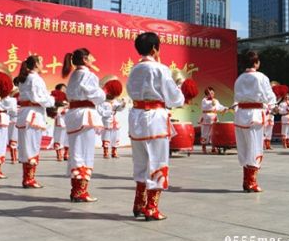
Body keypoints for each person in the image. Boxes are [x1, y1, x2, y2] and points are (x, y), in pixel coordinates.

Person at [126, 32, 185, 220]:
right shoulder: (160, 69)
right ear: (154, 49)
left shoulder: (135, 69)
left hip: (136, 118)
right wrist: (180, 91)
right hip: (155, 120)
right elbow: (174, 97)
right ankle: (151, 207)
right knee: (158, 161)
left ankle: (139, 203)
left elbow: (130, 90)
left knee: (141, 162)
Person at [63, 48, 107, 202]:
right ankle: (80, 191)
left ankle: (76, 189)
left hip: (75, 114)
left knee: (76, 151)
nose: (94, 58)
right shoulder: (88, 74)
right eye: (91, 56)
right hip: (84, 115)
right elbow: (95, 94)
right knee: (85, 152)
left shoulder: (75, 75)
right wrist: (103, 93)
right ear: (85, 59)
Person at [233, 51, 276, 192]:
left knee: (244, 148)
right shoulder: (261, 77)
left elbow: (237, 97)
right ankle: (251, 182)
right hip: (255, 116)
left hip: (241, 115)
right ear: (256, 63)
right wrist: (272, 105)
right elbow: (269, 96)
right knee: (255, 147)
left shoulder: (239, 79)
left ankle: (247, 181)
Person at [14, 55, 55, 188]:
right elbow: (39, 98)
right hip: (33, 115)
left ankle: (28, 178)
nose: (43, 64)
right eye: (41, 62)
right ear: (36, 64)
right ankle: (29, 179)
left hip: (27, 114)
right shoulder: (35, 79)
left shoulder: (25, 79)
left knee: (28, 146)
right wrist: (52, 101)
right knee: (32, 146)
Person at [98, 79, 126, 159]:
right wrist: (110, 112)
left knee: (116, 137)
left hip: (115, 124)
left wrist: (122, 105)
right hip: (106, 123)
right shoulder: (102, 102)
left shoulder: (115, 101)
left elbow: (119, 109)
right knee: (106, 137)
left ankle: (114, 152)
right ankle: (106, 152)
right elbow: (101, 112)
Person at [199, 87, 228, 154]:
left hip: (214, 118)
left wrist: (225, 108)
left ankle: (213, 148)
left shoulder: (216, 100)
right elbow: (205, 106)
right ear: (207, 94)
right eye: (210, 93)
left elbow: (219, 107)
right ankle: (204, 147)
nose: (212, 94)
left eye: (213, 93)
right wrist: (211, 103)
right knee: (205, 133)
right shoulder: (204, 100)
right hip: (206, 118)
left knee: (213, 133)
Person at [50, 84, 69, 161]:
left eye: (65, 88)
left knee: (67, 137)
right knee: (58, 136)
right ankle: (59, 154)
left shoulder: (68, 98)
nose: (65, 90)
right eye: (63, 88)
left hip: (68, 120)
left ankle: (66, 154)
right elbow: (53, 110)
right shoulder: (54, 98)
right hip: (60, 119)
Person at [6, 88, 20, 163]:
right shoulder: (11, 103)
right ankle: (14, 158)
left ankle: (20, 157)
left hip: (22, 122)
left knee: (21, 140)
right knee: (13, 139)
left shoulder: (25, 106)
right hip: (14, 121)